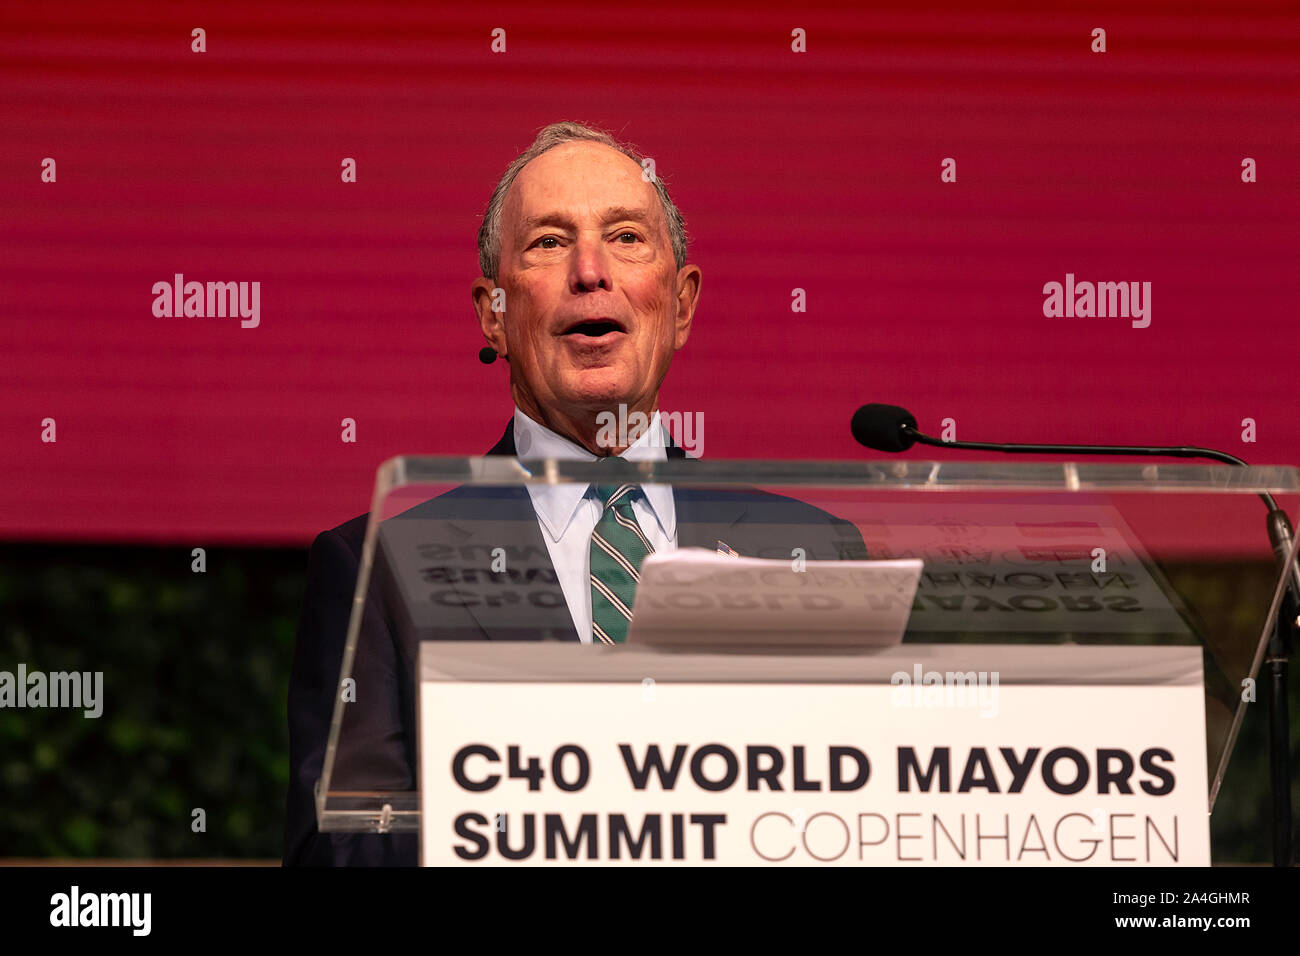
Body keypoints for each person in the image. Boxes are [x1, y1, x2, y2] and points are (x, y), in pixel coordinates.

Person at [284, 122, 866, 865]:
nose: (590, 271)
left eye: (626, 238)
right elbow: (339, 850)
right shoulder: (376, 567)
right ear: (492, 310)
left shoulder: (810, 551)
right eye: (549, 243)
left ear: (681, 305)